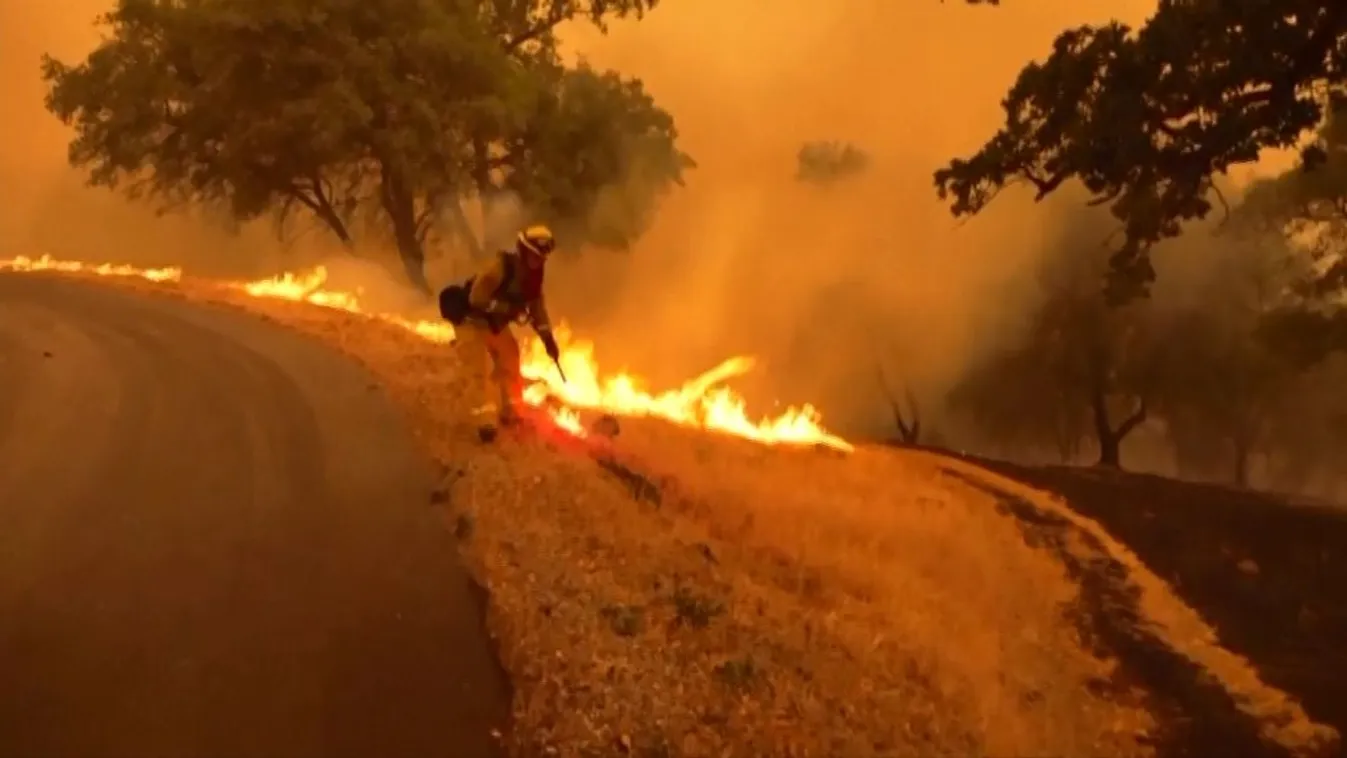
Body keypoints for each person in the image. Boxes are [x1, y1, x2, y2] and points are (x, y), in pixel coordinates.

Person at [458, 224, 562, 442]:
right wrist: (506, 309)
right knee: (478, 368)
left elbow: (537, 309)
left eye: (542, 257)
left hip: (495, 324)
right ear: (524, 252)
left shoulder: (533, 279)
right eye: (535, 256)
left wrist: (548, 339)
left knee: (511, 359)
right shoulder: (499, 268)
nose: (539, 261)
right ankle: (484, 421)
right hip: (471, 320)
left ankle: (512, 412)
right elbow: (476, 298)